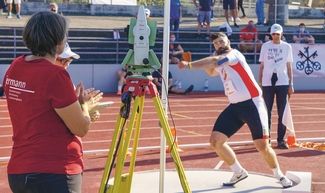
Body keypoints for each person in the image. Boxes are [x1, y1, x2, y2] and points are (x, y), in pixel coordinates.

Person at [3, 11, 103, 193]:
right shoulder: (56, 75)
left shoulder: (15, 66)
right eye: (65, 35)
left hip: (19, 170)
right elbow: (81, 128)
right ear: (57, 40)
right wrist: (85, 107)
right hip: (54, 171)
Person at [177, 32, 293, 188]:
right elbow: (211, 71)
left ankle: (279, 175)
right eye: (216, 43)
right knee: (216, 141)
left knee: (262, 146)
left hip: (252, 104)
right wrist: (200, 63)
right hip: (235, 106)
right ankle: (238, 171)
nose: (219, 44)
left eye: (221, 41)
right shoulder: (221, 62)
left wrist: (190, 65)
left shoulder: (233, 54)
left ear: (228, 41)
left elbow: (214, 60)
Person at [258, 24, 294, 149]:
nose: (275, 36)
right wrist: (259, 83)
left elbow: (289, 67)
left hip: (283, 82)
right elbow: (261, 66)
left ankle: (281, 140)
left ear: (281, 34)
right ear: (270, 34)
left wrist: (291, 84)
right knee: (266, 112)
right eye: (273, 34)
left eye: (278, 34)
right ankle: (266, 139)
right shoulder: (265, 46)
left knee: (282, 112)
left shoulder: (287, 47)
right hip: (267, 82)